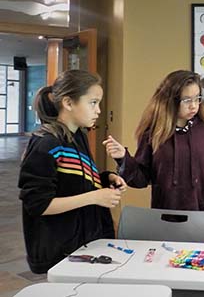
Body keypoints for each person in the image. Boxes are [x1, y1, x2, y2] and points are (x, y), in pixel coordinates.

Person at [18, 69, 127, 274]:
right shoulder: (45, 144)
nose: (99, 111)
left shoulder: (78, 136)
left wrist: (105, 179)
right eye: (93, 102)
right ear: (68, 103)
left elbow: (74, 181)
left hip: (85, 242)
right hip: (60, 250)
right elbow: (39, 205)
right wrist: (95, 197)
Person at [103, 70, 204, 211]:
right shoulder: (153, 133)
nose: (194, 105)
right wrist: (123, 158)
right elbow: (141, 179)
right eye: (187, 100)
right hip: (165, 217)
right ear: (170, 100)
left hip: (203, 216)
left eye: (198, 99)